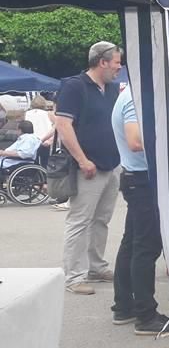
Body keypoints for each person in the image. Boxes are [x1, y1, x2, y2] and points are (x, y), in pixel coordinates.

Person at [110, 87, 169, 335]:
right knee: (146, 247)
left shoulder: (132, 95)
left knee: (133, 244)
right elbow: (136, 141)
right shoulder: (136, 97)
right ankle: (145, 315)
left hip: (139, 177)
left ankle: (125, 306)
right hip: (143, 179)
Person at [57, 41, 123, 295]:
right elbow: (64, 126)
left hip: (111, 164)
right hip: (89, 166)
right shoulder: (75, 86)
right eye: (116, 62)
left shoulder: (112, 89)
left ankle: (96, 266)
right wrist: (83, 160)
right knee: (80, 220)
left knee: (101, 220)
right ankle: (74, 276)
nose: (119, 67)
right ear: (102, 62)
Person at [24, 95, 54, 167]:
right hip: (45, 140)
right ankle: (44, 175)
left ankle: (36, 175)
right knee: (45, 161)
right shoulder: (49, 114)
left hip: (32, 141)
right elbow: (57, 125)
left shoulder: (27, 113)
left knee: (33, 160)